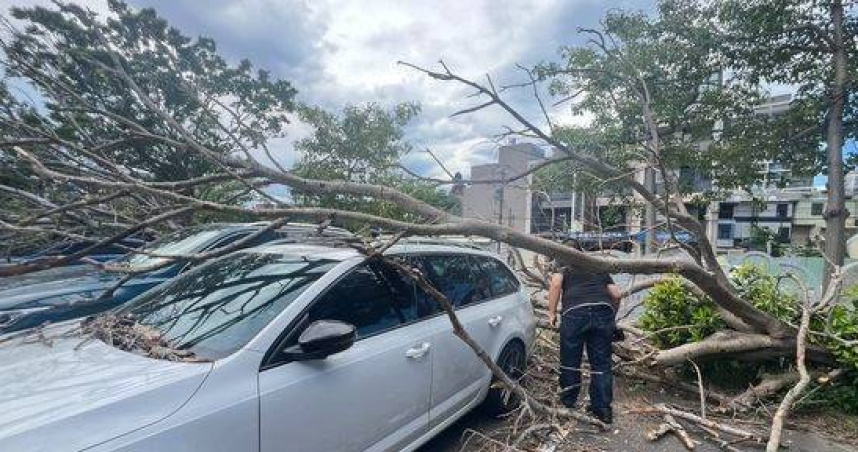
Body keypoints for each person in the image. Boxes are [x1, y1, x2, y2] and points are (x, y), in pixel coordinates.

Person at [547, 256, 621, 424]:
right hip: (603, 311)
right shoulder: (596, 264)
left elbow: (556, 284)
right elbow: (616, 294)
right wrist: (611, 319)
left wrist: (551, 313)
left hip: (575, 313)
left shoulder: (562, 261)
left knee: (570, 360)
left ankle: (568, 402)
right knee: (601, 363)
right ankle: (603, 410)